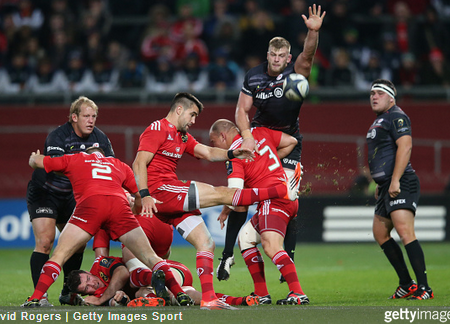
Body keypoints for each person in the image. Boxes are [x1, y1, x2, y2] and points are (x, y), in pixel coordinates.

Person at [132, 92, 300, 310]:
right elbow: (138, 163)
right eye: (192, 115)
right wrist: (145, 195)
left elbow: (208, 153)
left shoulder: (182, 136)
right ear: (179, 109)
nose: (193, 121)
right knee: (222, 192)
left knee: (206, 243)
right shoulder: (157, 129)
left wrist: (233, 153)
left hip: (170, 199)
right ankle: (280, 190)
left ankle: (209, 299)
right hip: (161, 191)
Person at [217, 4, 326, 283]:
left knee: (288, 197)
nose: (277, 59)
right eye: (272, 54)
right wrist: (248, 135)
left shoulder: (297, 71)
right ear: (267, 55)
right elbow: (241, 110)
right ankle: (227, 254)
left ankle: (287, 255)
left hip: (289, 141)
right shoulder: (253, 75)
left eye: (281, 55)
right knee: (238, 196)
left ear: (288, 57)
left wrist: (312, 32)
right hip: (258, 136)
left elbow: (309, 54)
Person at [21, 147, 192, 308]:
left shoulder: (77, 158)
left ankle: (36, 298)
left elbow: (40, 162)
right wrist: (135, 211)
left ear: (87, 153)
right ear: (105, 156)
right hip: (119, 206)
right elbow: (140, 194)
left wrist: (33, 159)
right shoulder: (118, 164)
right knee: (151, 257)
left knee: (60, 255)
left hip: (91, 205)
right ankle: (179, 294)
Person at [26, 96, 114, 307]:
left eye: (94, 116)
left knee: (77, 245)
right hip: (46, 192)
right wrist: (88, 160)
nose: (91, 120)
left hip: (74, 196)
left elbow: (111, 166)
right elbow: (57, 166)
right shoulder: (58, 136)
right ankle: (41, 297)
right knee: (46, 242)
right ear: (74, 117)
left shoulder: (101, 138)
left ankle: (68, 292)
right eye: (86, 116)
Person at [209, 119, 308, 305]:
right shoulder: (259, 132)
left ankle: (298, 293)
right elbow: (291, 142)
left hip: (273, 200)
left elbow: (235, 193)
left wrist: (221, 200)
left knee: (271, 246)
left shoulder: (237, 154)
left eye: (214, 142)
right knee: (246, 238)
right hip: (284, 196)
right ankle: (261, 294)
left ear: (223, 136)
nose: (214, 146)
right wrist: (268, 163)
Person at [366, 79, 433, 300]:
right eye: (372, 94)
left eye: (379, 93)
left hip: (402, 182)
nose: (374, 97)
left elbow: (406, 145)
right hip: (387, 186)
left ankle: (425, 288)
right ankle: (407, 283)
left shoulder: (397, 116)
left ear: (390, 97)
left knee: (405, 232)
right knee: (380, 233)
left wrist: (394, 180)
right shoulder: (381, 120)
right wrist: (381, 184)